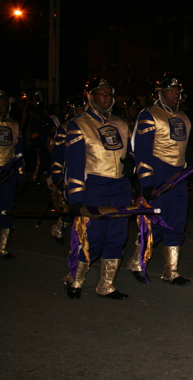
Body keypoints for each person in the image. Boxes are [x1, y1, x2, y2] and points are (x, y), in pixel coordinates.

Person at [62, 77, 134, 299]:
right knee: (92, 236)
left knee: (117, 236)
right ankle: (76, 279)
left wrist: (131, 162)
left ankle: (107, 285)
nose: (107, 98)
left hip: (120, 186)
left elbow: (129, 152)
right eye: (102, 94)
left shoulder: (121, 124)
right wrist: (74, 197)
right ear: (90, 96)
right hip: (95, 185)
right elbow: (73, 165)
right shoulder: (79, 125)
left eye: (110, 94)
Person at [126, 74, 192, 286]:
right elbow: (142, 152)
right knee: (155, 224)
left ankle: (171, 271)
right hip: (158, 176)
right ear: (160, 94)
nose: (175, 95)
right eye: (171, 91)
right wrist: (147, 182)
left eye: (177, 91)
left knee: (177, 224)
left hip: (178, 177)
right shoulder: (149, 115)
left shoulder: (184, 117)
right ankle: (137, 262)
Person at [49, 95, 87, 243]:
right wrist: (57, 175)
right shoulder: (66, 127)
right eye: (80, 108)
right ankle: (60, 227)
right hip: (70, 171)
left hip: (89, 171)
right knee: (70, 207)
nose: (83, 110)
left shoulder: (92, 125)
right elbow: (58, 155)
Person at [0, 90, 26, 259]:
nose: (3, 106)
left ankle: (2, 248)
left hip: (7, 176)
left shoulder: (14, 124)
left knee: (5, 211)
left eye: (5, 103)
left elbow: (19, 151)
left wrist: (21, 176)